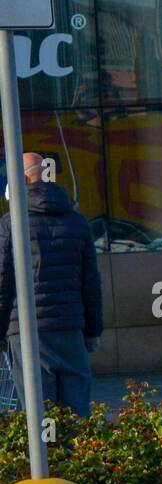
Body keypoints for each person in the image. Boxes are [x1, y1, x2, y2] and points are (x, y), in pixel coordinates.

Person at [0, 152, 101, 418]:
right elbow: (91, 282)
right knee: (76, 410)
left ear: (21, 179)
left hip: (26, 330)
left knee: (38, 412)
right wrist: (91, 331)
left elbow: (2, 283)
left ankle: (47, 459)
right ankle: (75, 457)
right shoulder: (77, 222)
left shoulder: (12, 224)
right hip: (70, 327)